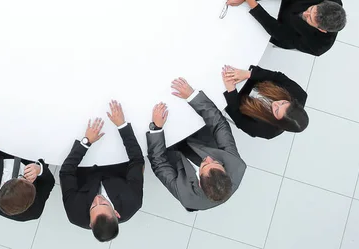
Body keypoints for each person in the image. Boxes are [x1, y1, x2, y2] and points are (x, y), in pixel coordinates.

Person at [147, 78, 246, 212]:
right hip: (197, 134)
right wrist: (192, 96)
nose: (209, 158)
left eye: (204, 164)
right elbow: (219, 125)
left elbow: (159, 164)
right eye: (217, 162)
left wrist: (156, 128)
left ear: (199, 182)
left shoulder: (186, 195)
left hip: (170, 151)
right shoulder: (235, 165)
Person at [60, 100, 144, 242]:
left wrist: (86, 142)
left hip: (83, 163)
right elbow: (137, 161)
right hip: (116, 159)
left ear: (90, 223)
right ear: (116, 213)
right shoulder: (133, 201)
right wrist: (122, 125)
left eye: (93, 206)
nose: (97, 199)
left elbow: (65, 173)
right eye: (104, 204)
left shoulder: (75, 213)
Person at [227, 0, 346, 56]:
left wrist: (250, 1)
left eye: (310, 19)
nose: (305, 13)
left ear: (321, 29)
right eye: (310, 9)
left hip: (275, 30)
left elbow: (280, 33)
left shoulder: (319, 46)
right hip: (283, 4)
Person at [221, 65, 309, 139]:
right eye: (283, 103)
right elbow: (277, 76)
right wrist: (249, 74)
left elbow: (239, 119)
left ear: (277, 122)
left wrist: (231, 90)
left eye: (277, 111)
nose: (276, 104)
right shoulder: (299, 94)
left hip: (235, 98)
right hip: (251, 78)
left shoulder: (267, 131)